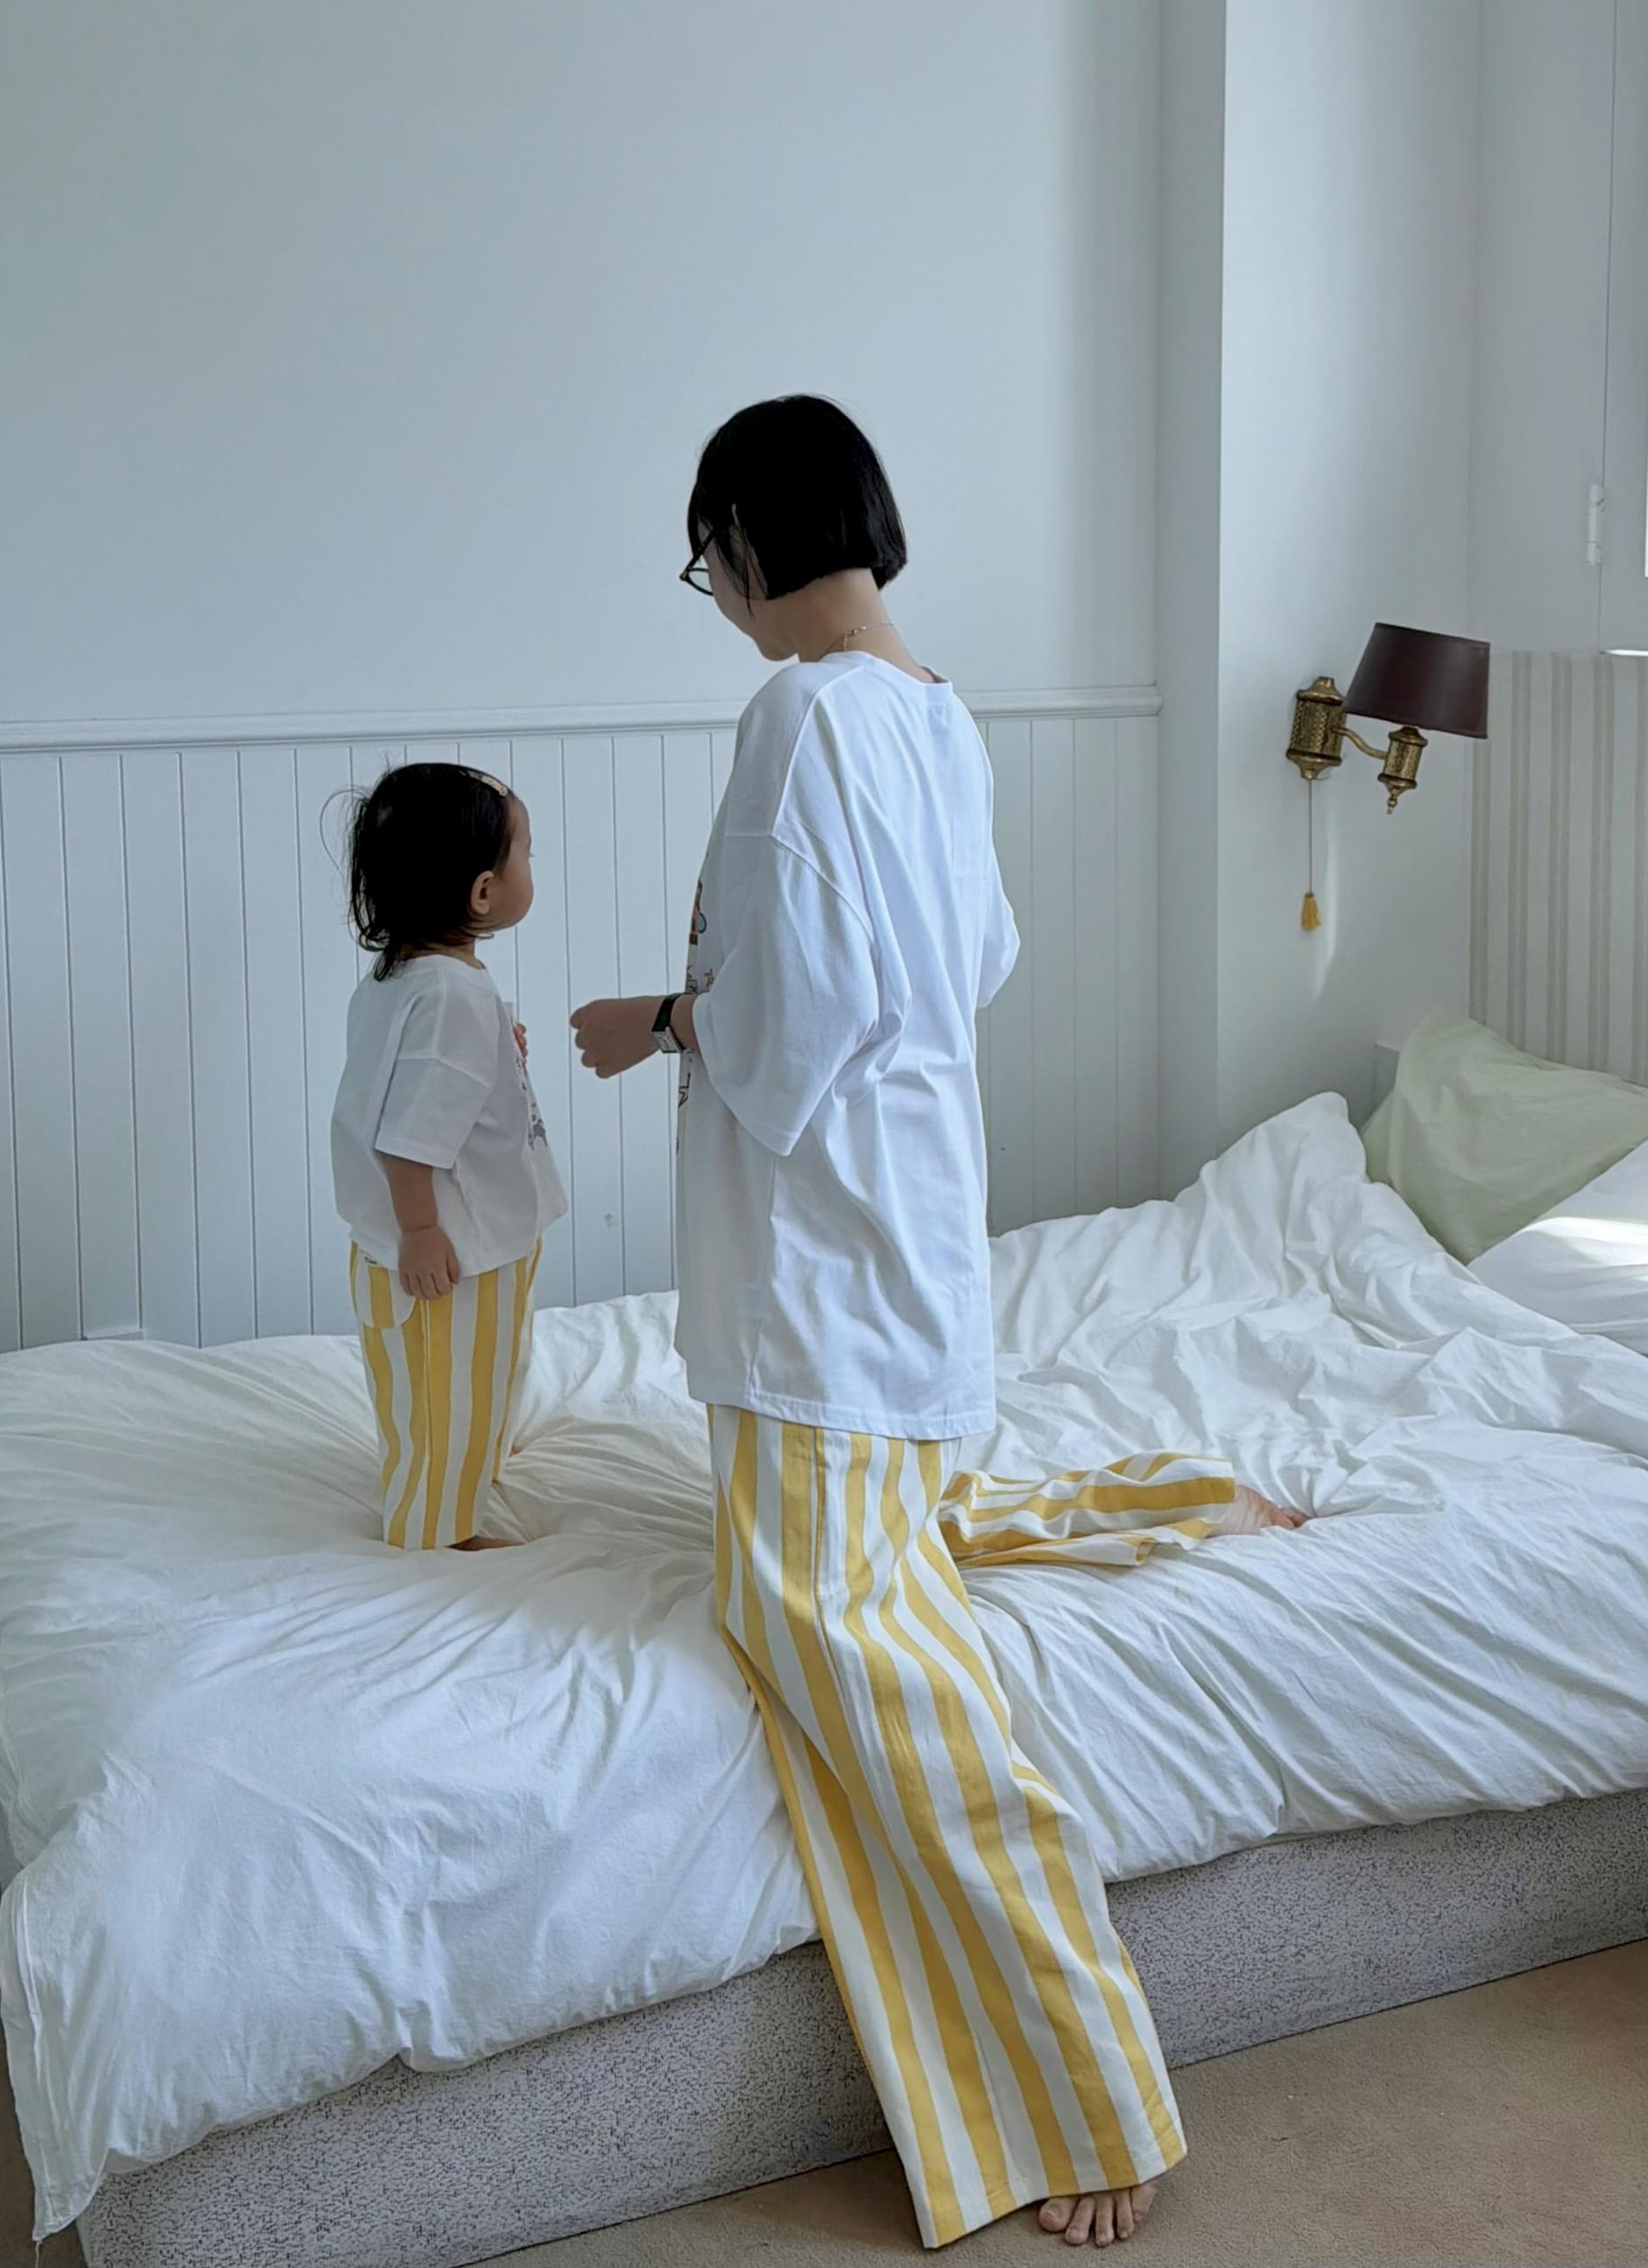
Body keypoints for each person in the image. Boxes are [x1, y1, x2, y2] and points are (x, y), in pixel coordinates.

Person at [570, 396, 1301, 2250]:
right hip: (901, 1254)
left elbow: (789, 1026)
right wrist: (711, 1006)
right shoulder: (935, 711)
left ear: (747, 538)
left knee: (840, 1637)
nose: (712, 597)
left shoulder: (800, 716)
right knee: (859, 1564)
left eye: (704, 561)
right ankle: (1166, 1498)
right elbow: (965, 961)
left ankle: (1086, 2074)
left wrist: (669, 1018)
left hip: (822, 1282)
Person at [333, 762, 565, 1551]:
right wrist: (421, 1231)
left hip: (477, 1234)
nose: (532, 863)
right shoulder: (452, 996)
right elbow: (409, 1134)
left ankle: (480, 1456)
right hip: (454, 1248)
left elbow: (410, 1080)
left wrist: (496, 1048)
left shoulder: (406, 978)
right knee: (444, 1391)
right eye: (525, 852)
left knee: (481, 1370)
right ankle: (436, 1528)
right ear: (483, 893)